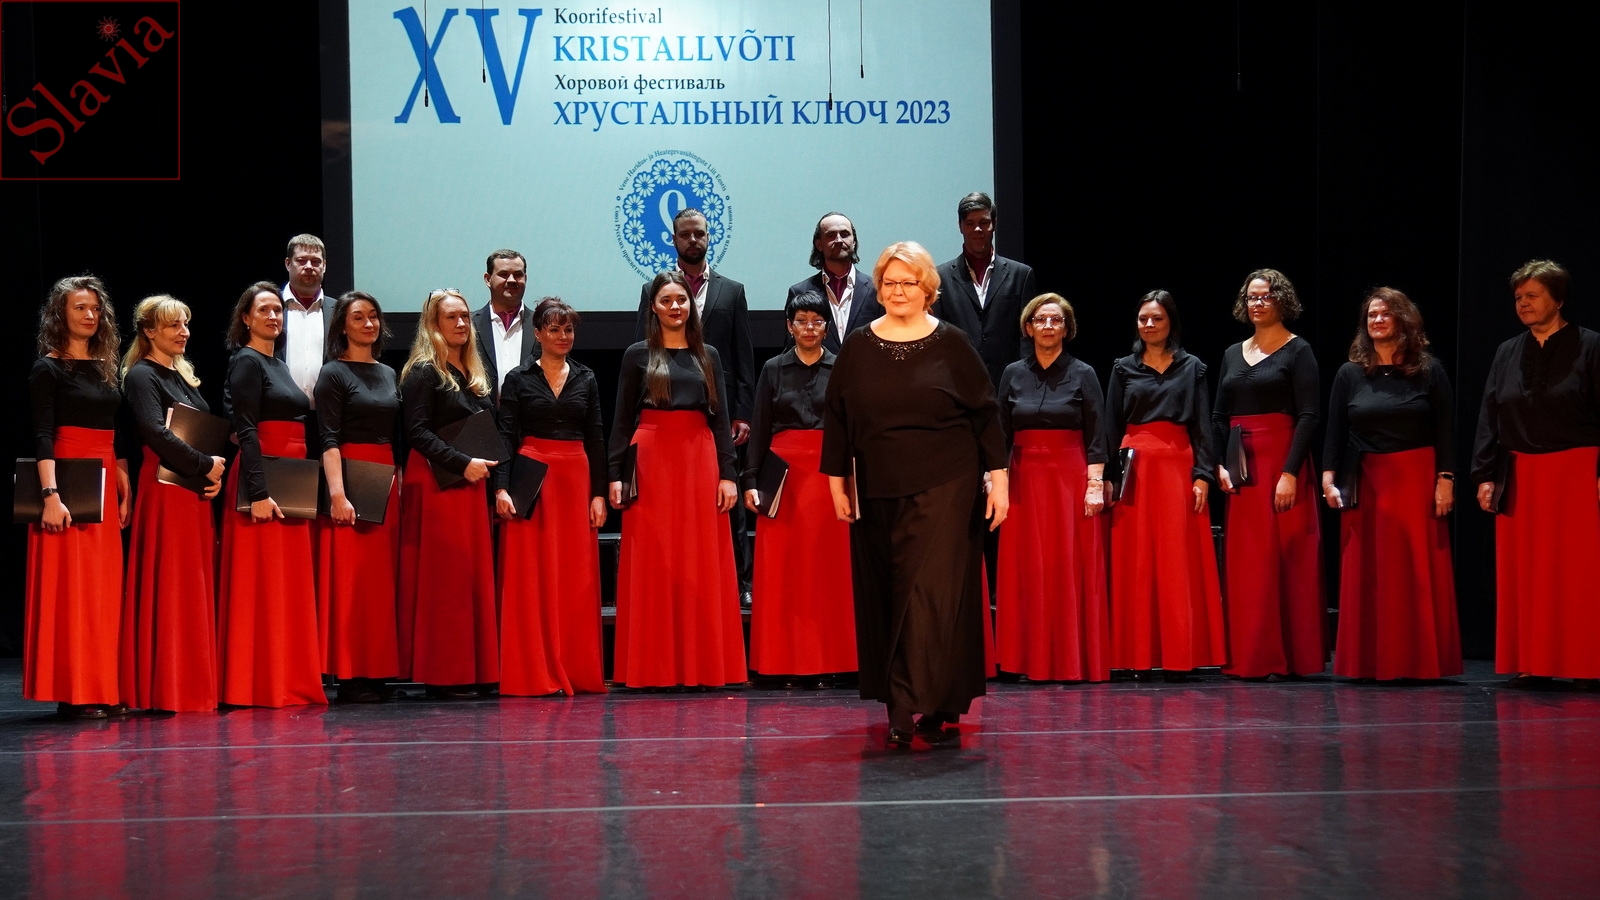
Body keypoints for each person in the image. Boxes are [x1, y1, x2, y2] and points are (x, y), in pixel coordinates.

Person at [822, 241, 1008, 748]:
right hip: (877, 484)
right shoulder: (858, 346)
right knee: (889, 591)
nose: (898, 291)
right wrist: (837, 482)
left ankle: (909, 701)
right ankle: (921, 697)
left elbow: (985, 413)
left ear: (927, 289)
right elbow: (837, 418)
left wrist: (1000, 481)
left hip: (948, 481)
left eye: (908, 282)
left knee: (929, 592)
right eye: (889, 282)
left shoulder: (951, 343)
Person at [609, 271, 746, 689]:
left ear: (691, 305)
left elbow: (721, 418)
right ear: (653, 307)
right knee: (654, 559)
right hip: (651, 460)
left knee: (699, 560)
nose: (675, 307)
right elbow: (621, 419)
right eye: (666, 300)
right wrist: (614, 475)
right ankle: (654, 667)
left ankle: (702, 665)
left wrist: (728, 474)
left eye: (681, 300)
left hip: (699, 459)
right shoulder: (636, 355)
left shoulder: (709, 355)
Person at [1471, 260, 1600, 687]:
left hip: (1575, 472)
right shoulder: (1507, 351)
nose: (1523, 304)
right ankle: (1532, 662)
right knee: (1526, 574)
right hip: (1521, 472)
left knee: (1576, 573)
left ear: (1558, 299)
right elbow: (1490, 414)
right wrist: (1485, 474)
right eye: (1518, 298)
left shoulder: (1591, 346)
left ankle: (1585, 665)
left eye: (1532, 296)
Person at [1322, 288, 1461, 682]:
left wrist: (1445, 479)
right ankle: (1368, 662)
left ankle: (1417, 661)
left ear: (1403, 319)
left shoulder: (1428, 370)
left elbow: (1446, 430)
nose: (1377, 320)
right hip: (1365, 480)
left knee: (1413, 570)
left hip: (1415, 477)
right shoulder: (1349, 373)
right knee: (1367, 571)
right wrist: (1328, 477)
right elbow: (1335, 430)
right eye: (1371, 315)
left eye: (1385, 313)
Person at [633, 208, 756, 607]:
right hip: (666, 411)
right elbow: (642, 352)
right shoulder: (654, 289)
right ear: (674, 240)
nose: (692, 240)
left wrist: (742, 411)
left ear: (708, 236)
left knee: (727, 499)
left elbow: (742, 356)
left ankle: (740, 581)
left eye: (699, 233)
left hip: (718, 413)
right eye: (685, 234)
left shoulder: (732, 291)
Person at [1104, 290, 1226, 680]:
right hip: (1135, 469)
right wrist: (1108, 477)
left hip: (1177, 467)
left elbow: (1203, 425)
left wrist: (1203, 474)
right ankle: (1136, 655)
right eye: (1143, 319)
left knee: (1177, 562)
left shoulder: (1192, 368)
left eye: (1157, 318)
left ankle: (1179, 655)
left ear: (1171, 322)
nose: (1149, 325)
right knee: (1136, 562)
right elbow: (1110, 425)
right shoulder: (1123, 368)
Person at [1212, 268, 1327, 680]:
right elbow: (1219, 415)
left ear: (1282, 300)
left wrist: (1290, 472)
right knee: (1249, 565)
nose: (1257, 303)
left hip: (1281, 459)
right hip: (1242, 468)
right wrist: (1220, 464)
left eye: (1265, 296)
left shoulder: (1298, 350)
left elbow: (1309, 415)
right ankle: (1251, 656)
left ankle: (1292, 658)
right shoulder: (1232, 353)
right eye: (1252, 297)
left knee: (1287, 560)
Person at [26, 275, 130, 719]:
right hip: (68, 478)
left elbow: (114, 431)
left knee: (104, 590)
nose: (90, 315)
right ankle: (75, 692)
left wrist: (124, 485)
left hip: (104, 476)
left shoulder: (105, 367)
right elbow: (42, 435)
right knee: (73, 590)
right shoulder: (48, 368)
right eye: (80, 308)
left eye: (95, 308)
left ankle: (104, 685)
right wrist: (50, 495)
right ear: (60, 315)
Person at [742, 291, 857, 688]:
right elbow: (759, 426)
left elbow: (852, 428)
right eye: (802, 321)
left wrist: (853, 479)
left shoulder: (842, 367)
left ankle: (837, 662)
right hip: (783, 478)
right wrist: (750, 480)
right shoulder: (773, 369)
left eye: (817, 321)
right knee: (783, 573)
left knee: (831, 572)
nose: (810, 328)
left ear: (827, 326)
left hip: (829, 477)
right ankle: (780, 663)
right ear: (789, 327)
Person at [218, 281, 325, 708]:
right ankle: (254, 683)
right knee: (260, 585)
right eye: (263, 310)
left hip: (290, 478)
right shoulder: (246, 360)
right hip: (263, 479)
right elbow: (245, 430)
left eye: (277, 310)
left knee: (287, 586)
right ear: (245, 318)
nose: (273, 316)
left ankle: (287, 678)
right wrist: (258, 491)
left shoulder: (276, 363)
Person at [494, 297, 608, 696]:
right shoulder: (518, 378)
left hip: (575, 479)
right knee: (531, 577)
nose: (563, 336)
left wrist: (598, 494)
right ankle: (534, 670)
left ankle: (574, 667)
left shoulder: (587, 378)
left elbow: (596, 438)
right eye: (554, 329)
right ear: (538, 333)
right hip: (532, 478)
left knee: (575, 577)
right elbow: (506, 436)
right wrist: (501, 487)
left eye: (568, 329)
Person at [995, 293, 1109, 683]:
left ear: (1067, 328)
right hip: (1023, 478)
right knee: (1027, 566)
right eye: (1040, 320)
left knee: (1068, 565)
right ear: (1028, 327)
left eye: (1056, 320)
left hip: (1070, 477)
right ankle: (1024, 659)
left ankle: (1071, 659)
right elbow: (1000, 432)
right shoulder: (1012, 373)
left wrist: (1095, 483)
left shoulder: (1084, 373)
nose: (1048, 326)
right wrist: (996, 480)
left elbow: (1097, 432)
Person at [120, 295, 226, 712]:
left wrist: (210, 477)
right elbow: (155, 431)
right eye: (173, 325)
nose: (184, 332)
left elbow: (201, 430)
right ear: (149, 331)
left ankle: (194, 683)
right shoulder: (141, 375)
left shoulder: (182, 375)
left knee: (192, 585)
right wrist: (205, 466)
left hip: (192, 489)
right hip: (165, 488)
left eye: (185, 324)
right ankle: (169, 687)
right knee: (172, 585)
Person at [398, 288, 500, 699]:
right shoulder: (424, 371)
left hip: (469, 486)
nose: (461, 323)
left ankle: (475, 669)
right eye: (451, 317)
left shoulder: (473, 372)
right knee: (446, 581)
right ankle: (446, 674)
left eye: (464, 317)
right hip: (438, 485)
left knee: (470, 578)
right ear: (433, 324)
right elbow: (416, 432)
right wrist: (461, 463)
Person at [314, 291, 403, 703]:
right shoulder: (333, 373)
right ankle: (352, 676)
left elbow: (395, 436)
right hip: (350, 475)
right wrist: (337, 494)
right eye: (358, 318)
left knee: (380, 583)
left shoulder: (388, 373)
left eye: (373, 316)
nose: (368, 324)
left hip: (384, 476)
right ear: (342, 326)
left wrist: (397, 480)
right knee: (353, 582)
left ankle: (379, 672)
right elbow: (328, 438)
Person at [931, 192, 1039, 387]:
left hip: (1009, 386)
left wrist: (1023, 383)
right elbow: (938, 336)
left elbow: (1027, 337)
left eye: (984, 222)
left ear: (994, 224)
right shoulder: (940, 277)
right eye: (970, 223)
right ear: (960, 226)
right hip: (958, 385)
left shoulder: (1021, 275)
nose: (977, 229)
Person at [785, 212, 883, 353]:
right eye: (831, 235)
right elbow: (792, 349)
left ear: (854, 242)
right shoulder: (799, 292)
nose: (839, 240)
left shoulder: (877, 289)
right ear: (819, 244)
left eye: (845, 234)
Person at [473, 248, 535, 403]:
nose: (512, 280)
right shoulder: (468, 325)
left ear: (525, 278)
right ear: (488, 279)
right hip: (482, 416)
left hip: (528, 417)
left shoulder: (541, 325)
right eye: (504, 274)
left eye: (518, 274)